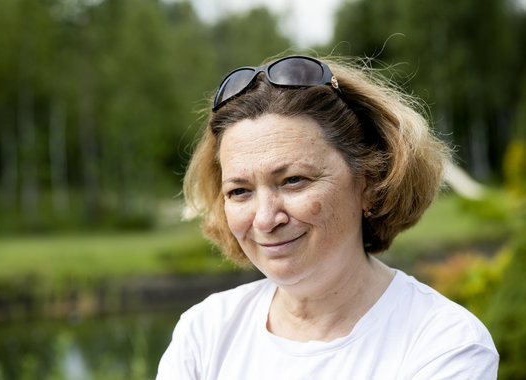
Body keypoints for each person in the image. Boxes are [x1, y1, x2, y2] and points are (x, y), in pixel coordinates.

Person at [156, 55, 498, 379]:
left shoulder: (444, 343)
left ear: (368, 183)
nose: (264, 219)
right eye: (240, 191)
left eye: (293, 181)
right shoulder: (204, 334)